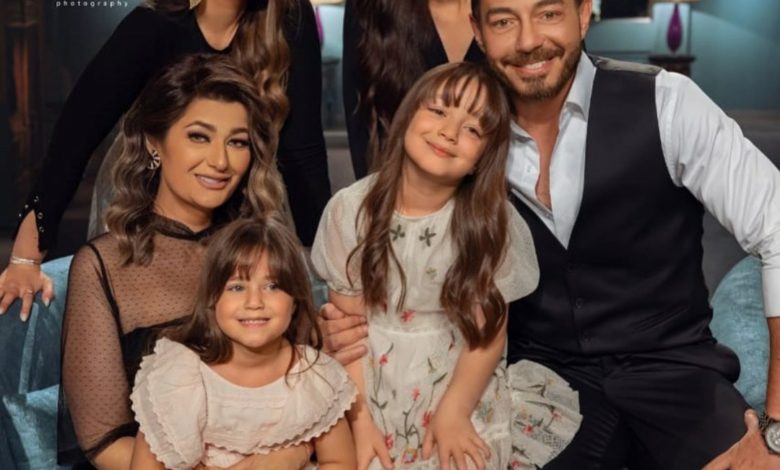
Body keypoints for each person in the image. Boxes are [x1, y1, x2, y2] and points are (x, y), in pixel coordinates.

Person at [325, 0, 780, 468]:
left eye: (548, 14)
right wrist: (348, 320)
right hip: (544, 382)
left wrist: (776, 430)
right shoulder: (463, 136)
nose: (528, 41)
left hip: (675, 374)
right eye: (504, 21)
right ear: (479, 32)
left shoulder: (667, 102)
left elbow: (777, 229)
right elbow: (404, 244)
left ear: (583, 14)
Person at [313, 62, 580, 470]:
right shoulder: (350, 211)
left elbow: (487, 334)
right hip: (369, 390)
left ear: (482, 159)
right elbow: (348, 334)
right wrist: (360, 423)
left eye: (472, 129)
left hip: (460, 386)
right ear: (406, 117)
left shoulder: (491, 224)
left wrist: (455, 411)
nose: (449, 132)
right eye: (438, 110)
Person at [0, 0, 331, 321]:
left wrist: (326, 276)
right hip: (151, 208)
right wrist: (26, 258)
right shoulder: (153, 25)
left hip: (244, 204)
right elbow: (75, 136)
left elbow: (304, 155)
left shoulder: (289, 17)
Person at [59, 54, 310, 470]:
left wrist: (286, 456)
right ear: (154, 143)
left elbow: (309, 391)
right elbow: (103, 441)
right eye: (199, 136)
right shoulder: (103, 266)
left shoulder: (268, 252)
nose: (220, 161)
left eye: (237, 142)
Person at [129, 217, 357, 470]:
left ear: (294, 300)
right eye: (237, 287)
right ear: (213, 298)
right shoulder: (178, 376)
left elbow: (339, 461)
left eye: (272, 286)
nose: (254, 302)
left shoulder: (314, 377)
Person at [343, 0, 485, 179]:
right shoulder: (373, 7)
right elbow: (363, 131)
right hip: (398, 186)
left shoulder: (509, 11)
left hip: (500, 187)